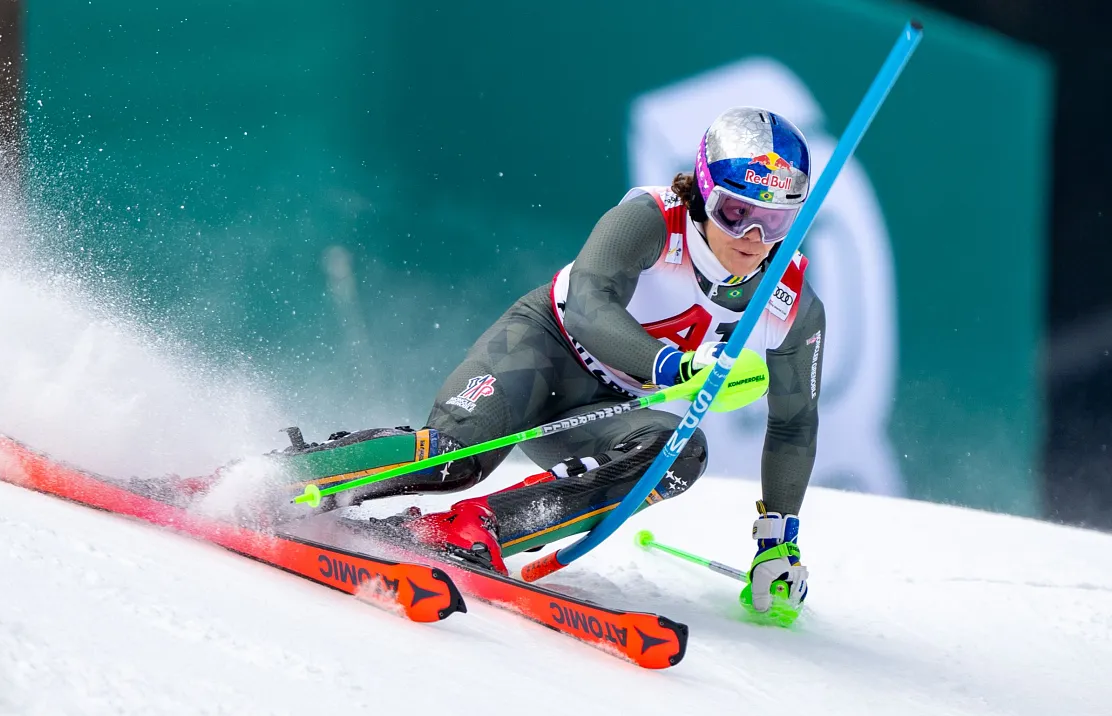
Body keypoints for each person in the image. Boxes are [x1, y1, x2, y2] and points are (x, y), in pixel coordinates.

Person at [290, 107, 823, 619]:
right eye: (737, 212)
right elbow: (591, 306)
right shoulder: (652, 220)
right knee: (454, 457)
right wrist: (675, 366)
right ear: (706, 193)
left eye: (774, 221)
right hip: (543, 347)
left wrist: (779, 540)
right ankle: (299, 473)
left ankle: (476, 529)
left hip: (613, 406)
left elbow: (795, 421)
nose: (752, 238)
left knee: (678, 452)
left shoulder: (792, 302)